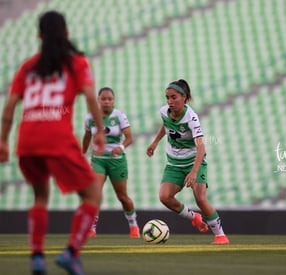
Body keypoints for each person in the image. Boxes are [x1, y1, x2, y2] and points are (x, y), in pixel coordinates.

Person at [0, 10, 105, 275]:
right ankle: (71, 253)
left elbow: (10, 106)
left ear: (39, 35)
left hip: (26, 140)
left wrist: (2, 141)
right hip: (56, 136)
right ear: (66, 33)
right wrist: (100, 131)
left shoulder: (28, 66)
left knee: (40, 196)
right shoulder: (76, 63)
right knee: (92, 192)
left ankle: (36, 257)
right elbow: (92, 98)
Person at [146, 79, 229, 245]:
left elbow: (201, 148)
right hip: (174, 164)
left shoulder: (191, 118)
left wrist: (194, 172)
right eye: (167, 97)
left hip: (194, 162)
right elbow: (166, 125)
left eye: (174, 97)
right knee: (164, 197)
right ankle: (194, 218)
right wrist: (155, 142)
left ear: (184, 97)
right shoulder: (164, 111)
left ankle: (221, 236)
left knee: (200, 198)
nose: (170, 101)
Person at [82, 86, 140, 238]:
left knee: (122, 196)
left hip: (117, 161)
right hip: (98, 160)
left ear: (113, 101)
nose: (107, 102)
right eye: (104, 99)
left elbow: (129, 138)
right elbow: (87, 137)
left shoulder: (119, 116)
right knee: (95, 194)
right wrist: (82, 154)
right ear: (98, 100)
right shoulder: (90, 118)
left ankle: (133, 225)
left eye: (110, 99)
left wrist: (120, 147)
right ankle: (92, 228)